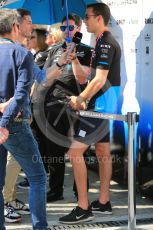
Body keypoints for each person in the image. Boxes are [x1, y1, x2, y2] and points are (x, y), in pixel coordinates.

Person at [0, 8, 67, 229]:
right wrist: (2, 124)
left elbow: (41, 78)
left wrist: (59, 63)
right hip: (13, 126)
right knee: (38, 178)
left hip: (6, 125)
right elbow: (20, 96)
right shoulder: (22, 53)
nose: (30, 27)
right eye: (26, 22)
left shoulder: (24, 53)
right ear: (15, 27)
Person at [59, 3, 121, 224]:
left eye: (87, 17)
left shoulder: (105, 42)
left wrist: (81, 98)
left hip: (101, 107)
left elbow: (99, 79)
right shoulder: (100, 42)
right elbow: (87, 78)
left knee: (74, 154)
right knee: (103, 151)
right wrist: (74, 57)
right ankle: (103, 202)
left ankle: (83, 207)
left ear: (100, 18)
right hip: (104, 104)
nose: (85, 20)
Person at [43, 13, 92, 202]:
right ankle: (55, 190)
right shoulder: (53, 50)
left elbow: (84, 78)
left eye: (70, 28)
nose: (66, 31)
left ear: (78, 28)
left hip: (77, 106)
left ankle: (81, 194)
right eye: (63, 28)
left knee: (78, 153)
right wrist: (58, 66)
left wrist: (73, 59)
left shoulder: (87, 51)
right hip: (53, 106)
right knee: (53, 151)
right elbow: (46, 77)